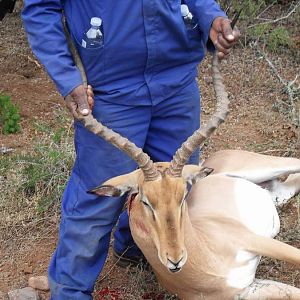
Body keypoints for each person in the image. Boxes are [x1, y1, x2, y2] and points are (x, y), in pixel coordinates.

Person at [22, 1, 240, 299]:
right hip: (110, 90)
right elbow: (41, 8)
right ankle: (70, 290)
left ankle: (136, 246)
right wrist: (67, 77)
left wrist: (208, 16)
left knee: (171, 189)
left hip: (175, 81)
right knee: (96, 199)